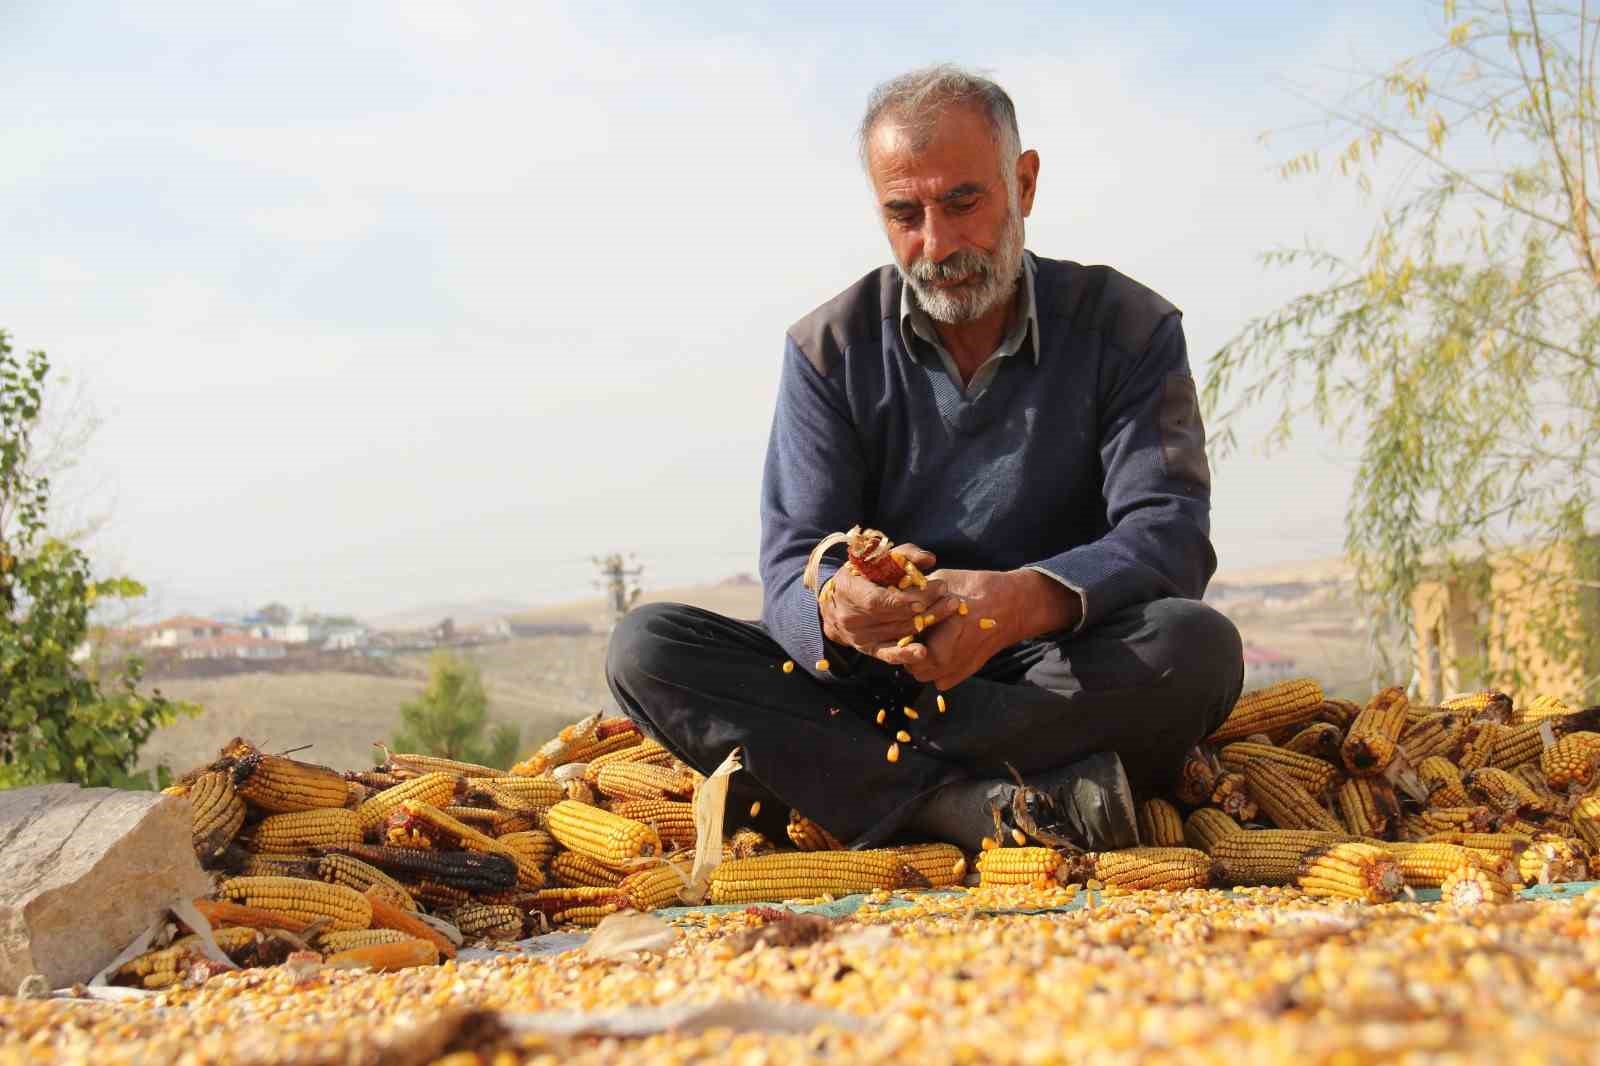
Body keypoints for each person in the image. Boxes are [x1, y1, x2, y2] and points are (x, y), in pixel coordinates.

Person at [606, 65, 1243, 852]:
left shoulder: (1129, 328)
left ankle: (857, 786)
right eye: (905, 214)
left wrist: (1017, 602)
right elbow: (790, 565)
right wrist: (840, 608)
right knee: (648, 651)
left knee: (1197, 649)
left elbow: (1170, 534)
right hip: (881, 683)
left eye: (963, 202)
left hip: (1053, 668)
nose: (937, 244)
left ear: (1025, 183)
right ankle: (975, 808)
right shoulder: (828, 348)